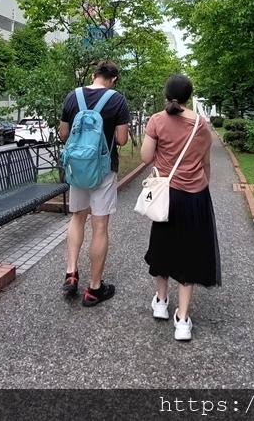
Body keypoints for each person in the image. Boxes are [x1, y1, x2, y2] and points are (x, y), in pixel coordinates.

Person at [140, 74, 220, 341]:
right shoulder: (201, 124)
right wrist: (199, 184)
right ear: (189, 96)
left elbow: (145, 157)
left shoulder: (157, 120)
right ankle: (183, 320)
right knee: (189, 253)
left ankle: (161, 303)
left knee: (163, 248)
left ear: (166, 94)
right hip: (194, 197)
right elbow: (206, 164)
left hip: (166, 196)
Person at [58, 59, 130, 306]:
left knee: (77, 217)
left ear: (93, 76)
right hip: (104, 169)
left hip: (78, 169)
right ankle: (94, 289)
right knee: (99, 227)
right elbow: (121, 140)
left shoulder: (72, 97)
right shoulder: (117, 100)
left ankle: (71, 272)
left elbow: (63, 134)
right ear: (114, 79)